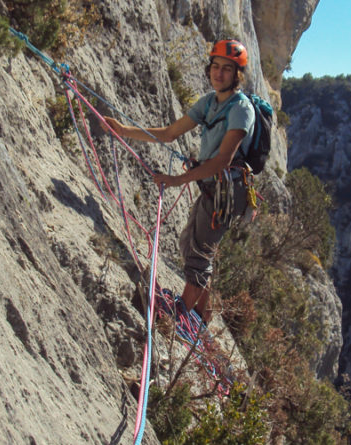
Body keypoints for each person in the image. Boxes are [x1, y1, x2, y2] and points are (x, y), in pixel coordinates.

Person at [104, 39, 255, 325]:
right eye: (215, 67)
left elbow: (223, 159)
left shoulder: (241, 110)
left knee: (200, 253)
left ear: (237, 75)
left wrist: (178, 180)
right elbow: (171, 132)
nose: (218, 73)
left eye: (226, 69)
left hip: (227, 191)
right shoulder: (209, 103)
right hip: (212, 185)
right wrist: (124, 130)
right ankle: (202, 315)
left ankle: (176, 321)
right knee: (191, 243)